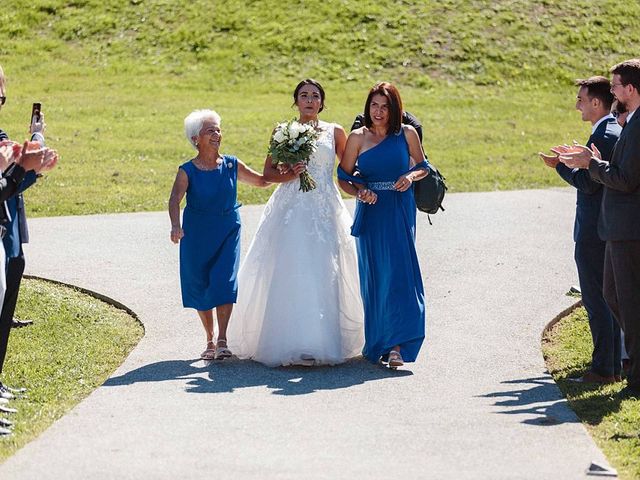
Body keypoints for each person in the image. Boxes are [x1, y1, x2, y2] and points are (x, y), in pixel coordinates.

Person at [227, 79, 364, 367]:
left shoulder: (335, 131)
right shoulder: (282, 130)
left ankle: (322, 341)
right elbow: (267, 173)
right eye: (304, 95)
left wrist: (366, 184)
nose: (310, 100)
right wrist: (288, 174)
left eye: (315, 96)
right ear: (296, 101)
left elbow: (348, 168)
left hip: (325, 207)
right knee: (292, 269)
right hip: (291, 208)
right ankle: (289, 340)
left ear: (322, 102)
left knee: (325, 269)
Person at [559, 59, 640, 398]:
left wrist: (589, 164)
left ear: (630, 90)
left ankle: (630, 377)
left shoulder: (634, 126)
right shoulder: (630, 123)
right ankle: (629, 367)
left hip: (627, 229)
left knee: (627, 302)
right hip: (616, 228)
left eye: (616, 85)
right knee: (613, 296)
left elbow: (624, 179)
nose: (612, 91)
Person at [337, 82, 428, 368]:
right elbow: (343, 177)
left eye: (384, 106)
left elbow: (424, 166)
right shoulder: (357, 138)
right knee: (376, 276)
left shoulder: (407, 134)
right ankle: (380, 341)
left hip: (400, 209)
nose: (378, 111)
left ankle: (397, 347)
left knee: (399, 275)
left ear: (394, 109)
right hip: (371, 211)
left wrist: (411, 178)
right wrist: (359, 191)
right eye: (374, 105)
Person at [168, 109, 269, 361]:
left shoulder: (232, 164)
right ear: (196, 139)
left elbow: (261, 181)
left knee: (224, 281)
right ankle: (209, 339)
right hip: (196, 234)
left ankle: (223, 339)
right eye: (210, 130)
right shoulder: (187, 170)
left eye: (218, 129)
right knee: (200, 284)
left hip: (227, 230)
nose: (216, 134)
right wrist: (175, 225)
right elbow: (174, 198)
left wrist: (287, 170)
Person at [539, 76, 622, 384]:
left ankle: (603, 369)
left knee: (596, 299)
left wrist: (559, 165)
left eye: (581, 100)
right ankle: (611, 366)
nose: (577, 105)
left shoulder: (604, 134)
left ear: (596, 103)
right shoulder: (610, 130)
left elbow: (588, 183)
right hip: (604, 227)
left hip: (593, 230)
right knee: (606, 298)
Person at [0, 64, 55, 407]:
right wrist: (35, 146)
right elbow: (11, 176)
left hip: (8, 229)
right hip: (4, 232)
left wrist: (35, 156)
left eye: (2, 95)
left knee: (5, 307)